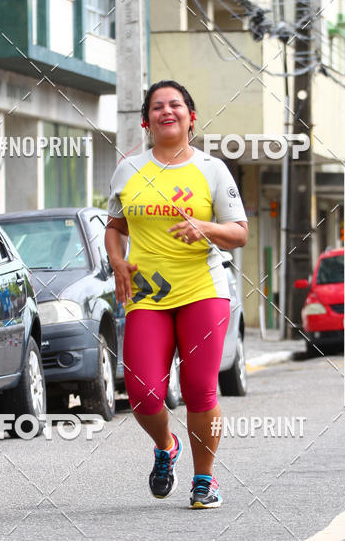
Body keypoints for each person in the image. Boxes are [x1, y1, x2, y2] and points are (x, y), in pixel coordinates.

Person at [105, 80, 248, 508]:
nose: (167, 111)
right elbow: (114, 227)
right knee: (143, 392)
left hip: (202, 288)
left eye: (176, 105)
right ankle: (166, 445)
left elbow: (239, 233)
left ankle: (204, 479)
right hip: (147, 293)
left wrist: (205, 228)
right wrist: (116, 261)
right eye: (157, 107)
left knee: (200, 387)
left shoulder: (212, 169)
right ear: (146, 121)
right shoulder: (129, 170)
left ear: (191, 117)